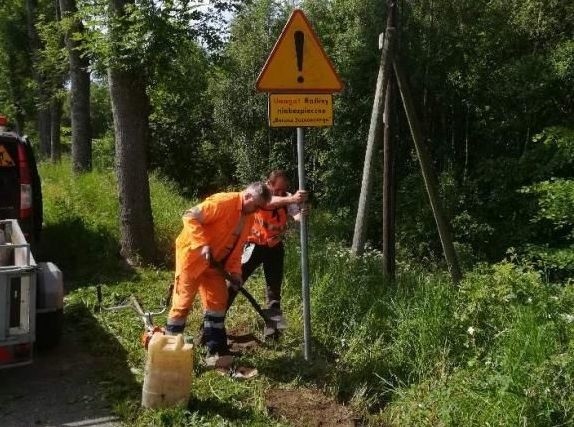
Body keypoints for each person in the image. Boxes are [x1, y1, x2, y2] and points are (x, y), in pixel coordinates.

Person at [165, 182, 271, 367]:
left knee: (218, 303)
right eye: (257, 206)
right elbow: (189, 215)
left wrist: (236, 272)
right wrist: (202, 244)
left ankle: (215, 350)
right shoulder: (223, 202)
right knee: (182, 305)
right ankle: (169, 353)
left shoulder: (249, 217)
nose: (257, 211)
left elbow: (237, 249)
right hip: (192, 259)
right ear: (248, 197)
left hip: (215, 265)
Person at [227, 170, 308, 339]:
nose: (280, 192)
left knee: (274, 290)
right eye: (277, 189)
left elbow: (296, 215)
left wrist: (302, 214)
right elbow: (269, 203)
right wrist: (292, 198)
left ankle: (272, 331)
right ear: (268, 184)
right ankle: (211, 325)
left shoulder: (286, 198)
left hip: (274, 248)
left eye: (283, 189)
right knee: (234, 283)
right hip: (253, 246)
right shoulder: (262, 195)